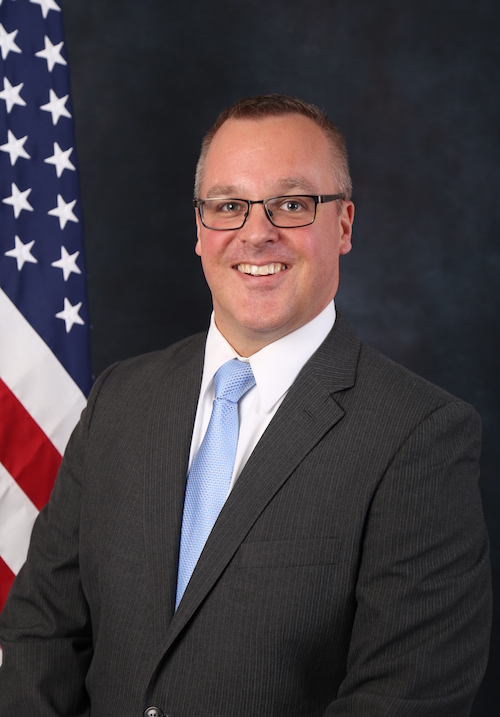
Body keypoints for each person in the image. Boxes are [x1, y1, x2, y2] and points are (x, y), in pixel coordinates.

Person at [0, 95, 491, 716]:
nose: (257, 234)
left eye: (292, 204)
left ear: (342, 226)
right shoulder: (119, 401)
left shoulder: (419, 436)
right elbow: (42, 633)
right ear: (200, 229)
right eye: (229, 206)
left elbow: (405, 700)